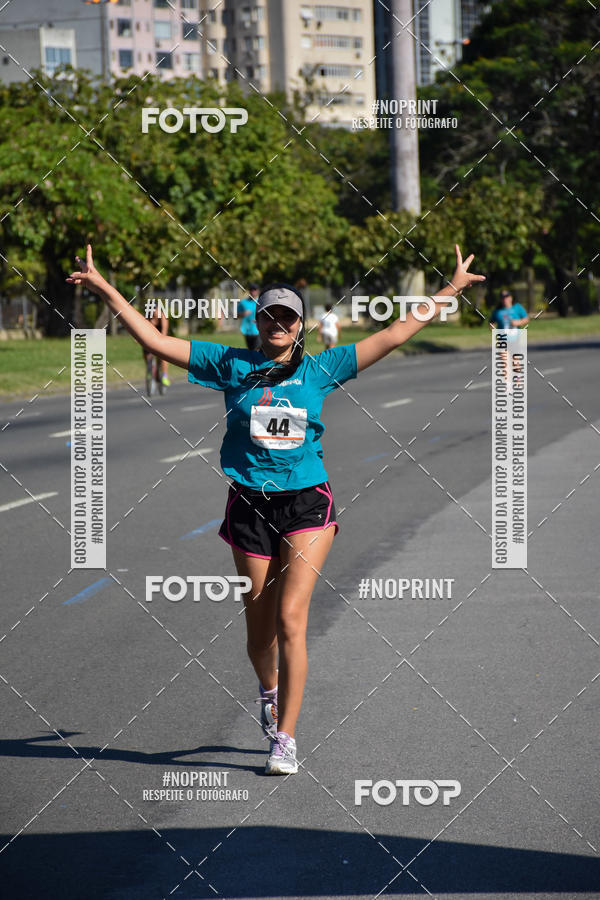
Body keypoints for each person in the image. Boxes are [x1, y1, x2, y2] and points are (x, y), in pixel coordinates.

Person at [67, 243, 484, 776]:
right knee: (258, 632)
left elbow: (395, 332)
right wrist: (106, 288)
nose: (278, 324)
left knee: (292, 619)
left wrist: (448, 290)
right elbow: (153, 339)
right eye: (269, 316)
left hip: (308, 503)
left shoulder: (321, 368)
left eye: (287, 317)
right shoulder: (229, 363)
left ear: (300, 325)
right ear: (258, 322)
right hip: (248, 505)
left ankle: (285, 737)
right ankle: (268, 691)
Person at [143, 305, 170, 387]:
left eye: (155, 310)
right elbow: (142, 329)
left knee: (163, 357)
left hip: (161, 336)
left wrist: (160, 342)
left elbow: (164, 331)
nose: (153, 312)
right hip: (151, 337)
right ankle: (150, 370)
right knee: (146, 354)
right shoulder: (148, 317)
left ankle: (165, 375)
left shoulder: (163, 317)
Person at [238, 282, 260, 351]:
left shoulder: (261, 301)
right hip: (247, 331)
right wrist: (243, 314)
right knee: (251, 351)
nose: (253, 291)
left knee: (257, 350)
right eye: (251, 290)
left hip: (258, 331)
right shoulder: (243, 302)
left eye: (254, 290)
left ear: (258, 291)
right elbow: (236, 316)